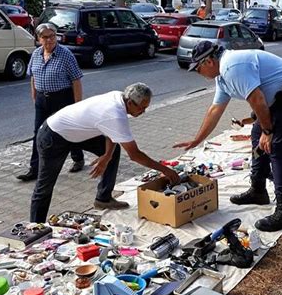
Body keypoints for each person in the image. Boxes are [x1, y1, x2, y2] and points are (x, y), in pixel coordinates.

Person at [174, 42, 282, 232]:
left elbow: (257, 100)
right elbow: (215, 110)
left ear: (209, 61)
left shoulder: (232, 67)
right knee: (256, 134)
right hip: (281, 97)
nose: (198, 73)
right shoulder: (222, 77)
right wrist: (197, 140)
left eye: (198, 68)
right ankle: (258, 190)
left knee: (276, 148)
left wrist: (269, 132)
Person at [30, 83, 179, 223]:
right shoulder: (115, 114)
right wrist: (165, 170)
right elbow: (135, 155)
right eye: (141, 108)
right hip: (53, 137)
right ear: (130, 103)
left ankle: (103, 198)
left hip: (74, 133)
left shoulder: (119, 97)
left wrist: (107, 156)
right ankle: (35, 228)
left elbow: (111, 132)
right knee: (45, 187)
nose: (143, 112)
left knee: (113, 151)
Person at [17, 23, 85, 182]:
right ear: (39, 39)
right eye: (45, 37)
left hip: (62, 98)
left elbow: (76, 80)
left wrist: (77, 105)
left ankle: (77, 157)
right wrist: (35, 95)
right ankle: (34, 168)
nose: (49, 40)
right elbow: (33, 76)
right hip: (42, 99)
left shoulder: (66, 54)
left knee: (67, 131)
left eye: (52, 36)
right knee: (38, 133)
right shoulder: (36, 55)